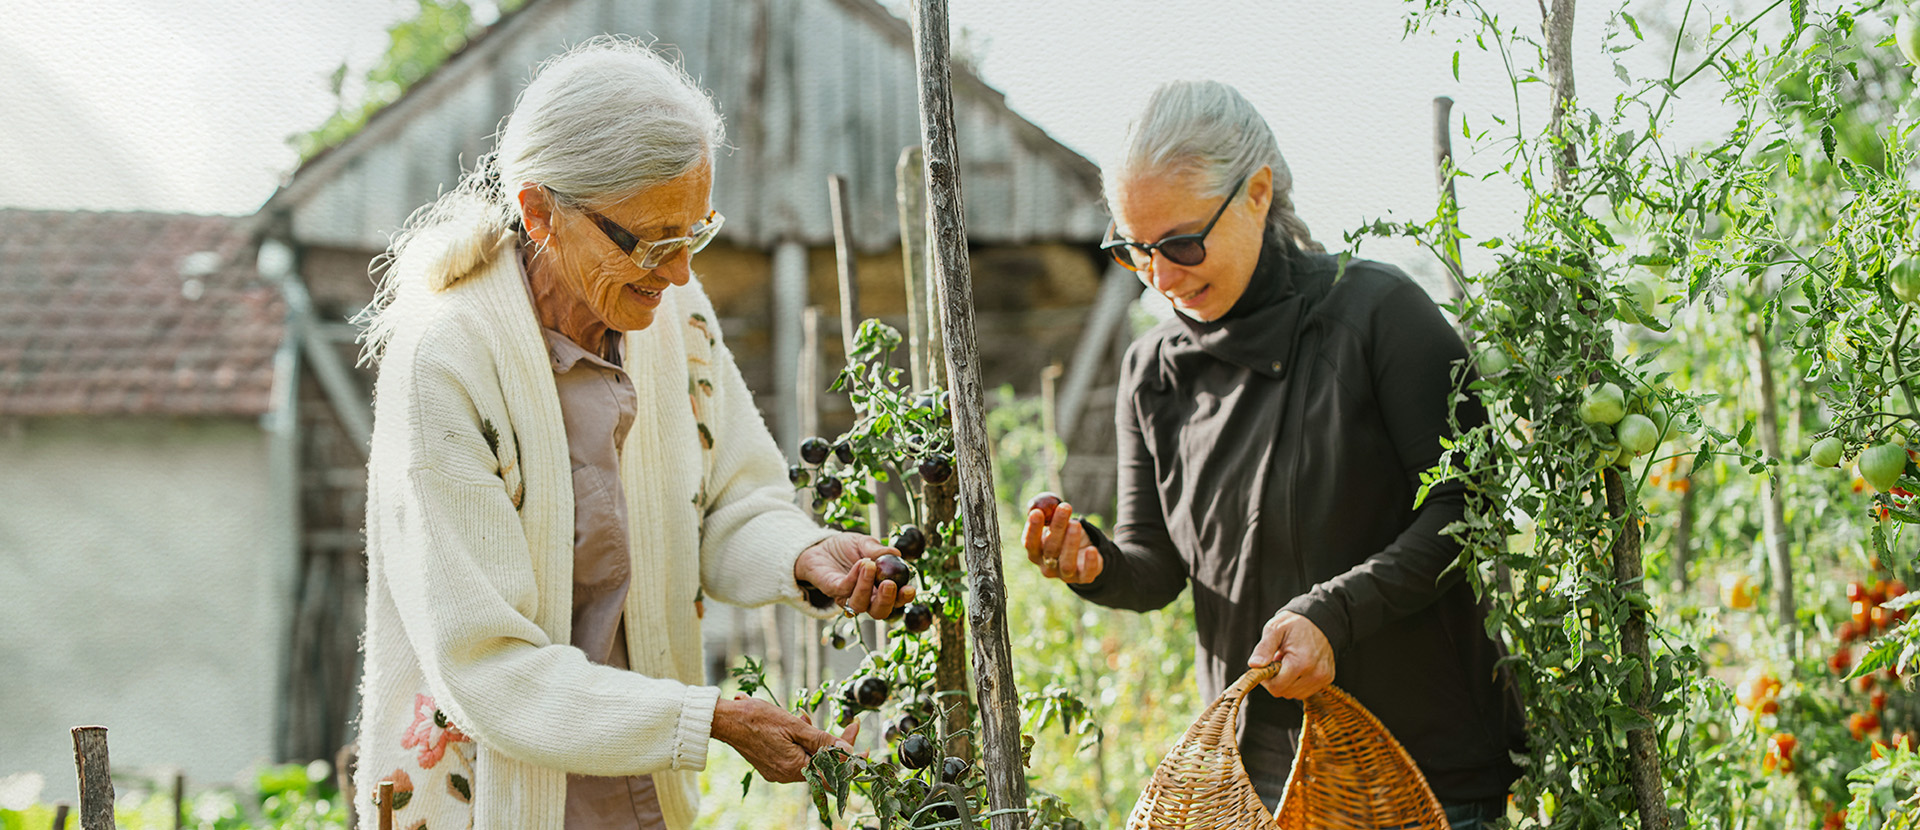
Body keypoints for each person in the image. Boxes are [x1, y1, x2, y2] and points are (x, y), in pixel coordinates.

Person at [353, 39, 910, 830]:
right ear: (540, 211)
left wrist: (798, 554)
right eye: (651, 241)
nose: (681, 272)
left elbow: (729, 501)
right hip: (499, 797)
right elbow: (487, 670)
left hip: (637, 786)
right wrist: (708, 719)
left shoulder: (668, 316)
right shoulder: (446, 358)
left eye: (695, 233)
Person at [1021, 80, 1524, 829]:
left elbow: (1469, 508)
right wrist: (1096, 564)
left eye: (1183, 243)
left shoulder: (1378, 315)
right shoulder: (1152, 371)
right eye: (1134, 250)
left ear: (1258, 192)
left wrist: (1334, 615)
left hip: (1426, 772)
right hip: (1255, 783)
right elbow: (1154, 563)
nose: (1160, 277)